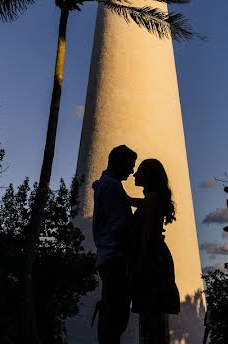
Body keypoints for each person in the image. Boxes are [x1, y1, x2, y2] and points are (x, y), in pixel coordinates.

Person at [130, 158, 180, 344]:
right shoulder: (154, 199)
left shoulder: (151, 200)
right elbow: (144, 205)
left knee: (151, 316)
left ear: (149, 176)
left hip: (152, 260)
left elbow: (147, 236)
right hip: (159, 257)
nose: (135, 174)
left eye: (140, 171)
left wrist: (138, 267)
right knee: (154, 316)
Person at [93, 144, 138, 344]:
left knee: (112, 317)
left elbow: (119, 203)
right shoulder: (111, 187)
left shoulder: (107, 184)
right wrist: (133, 258)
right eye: (130, 165)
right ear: (117, 162)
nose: (132, 171)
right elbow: (119, 228)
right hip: (116, 260)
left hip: (107, 257)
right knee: (115, 319)